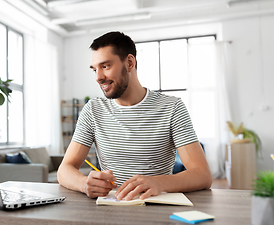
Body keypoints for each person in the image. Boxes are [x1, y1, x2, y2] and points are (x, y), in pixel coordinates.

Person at [57, 31, 212, 201]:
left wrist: (159, 183)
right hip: (110, 208)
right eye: (95, 69)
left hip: (157, 207)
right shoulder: (93, 110)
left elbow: (202, 175)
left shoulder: (172, 108)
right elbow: (65, 169)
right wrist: (84, 183)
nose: (98, 77)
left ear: (130, 63)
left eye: (106, 66)